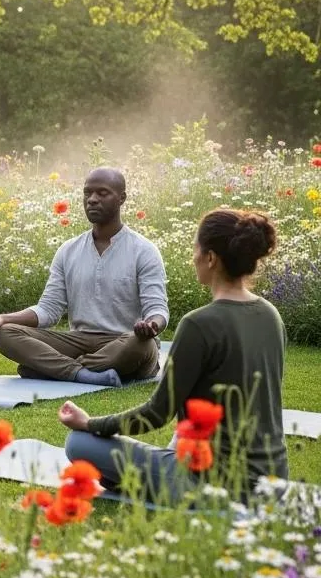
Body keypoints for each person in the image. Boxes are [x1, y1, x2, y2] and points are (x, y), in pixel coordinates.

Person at [59, 209, 287, 500]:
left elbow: (156, 414)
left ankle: (141, 481)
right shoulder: (271, 315)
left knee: (78, 444)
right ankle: (140, 480)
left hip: (216, 484)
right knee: (179, 437)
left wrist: (89, 423)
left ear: (210, 258)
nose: (193, 258)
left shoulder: (199, 324)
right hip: (273, 480)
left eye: (195, 249)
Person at [0, 167, 167, 387]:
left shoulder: (144, 250)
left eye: (102, 193)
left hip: (124, 341)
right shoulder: (68, 250)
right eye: (87, 193)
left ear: (121, 198)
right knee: (6, 334)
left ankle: (53, 368)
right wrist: (3, 318)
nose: (92, 199)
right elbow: (48, 310)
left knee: (143, 344)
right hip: (78, 340)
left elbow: (158, 309)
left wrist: (151, 325)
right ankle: (83, 373)